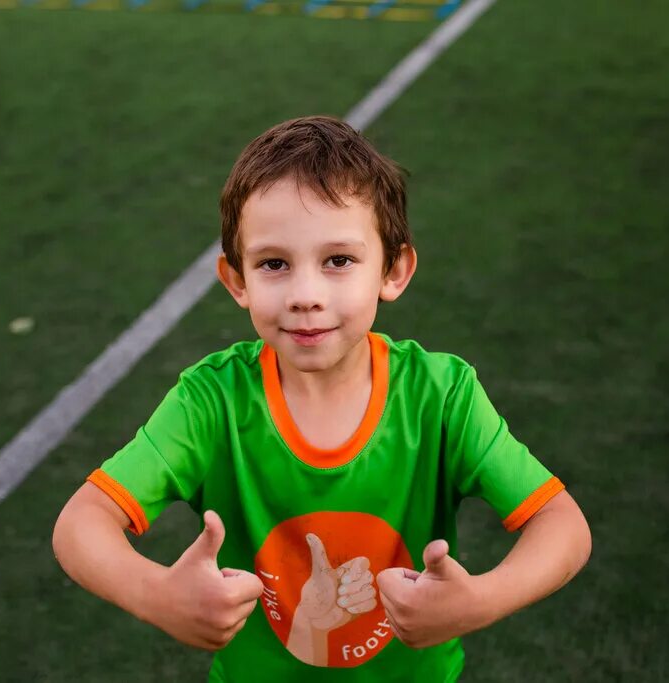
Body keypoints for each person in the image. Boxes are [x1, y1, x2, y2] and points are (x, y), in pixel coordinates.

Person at [52, 115, 592, 682]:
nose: (306, 295)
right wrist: (156, 593)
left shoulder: (441, 394)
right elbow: (81, 522)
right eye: (274, 264)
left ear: (394, 269)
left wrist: (480, 600)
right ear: (237, 280)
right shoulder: (212, 401)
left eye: (338, 260)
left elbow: (562, 524)